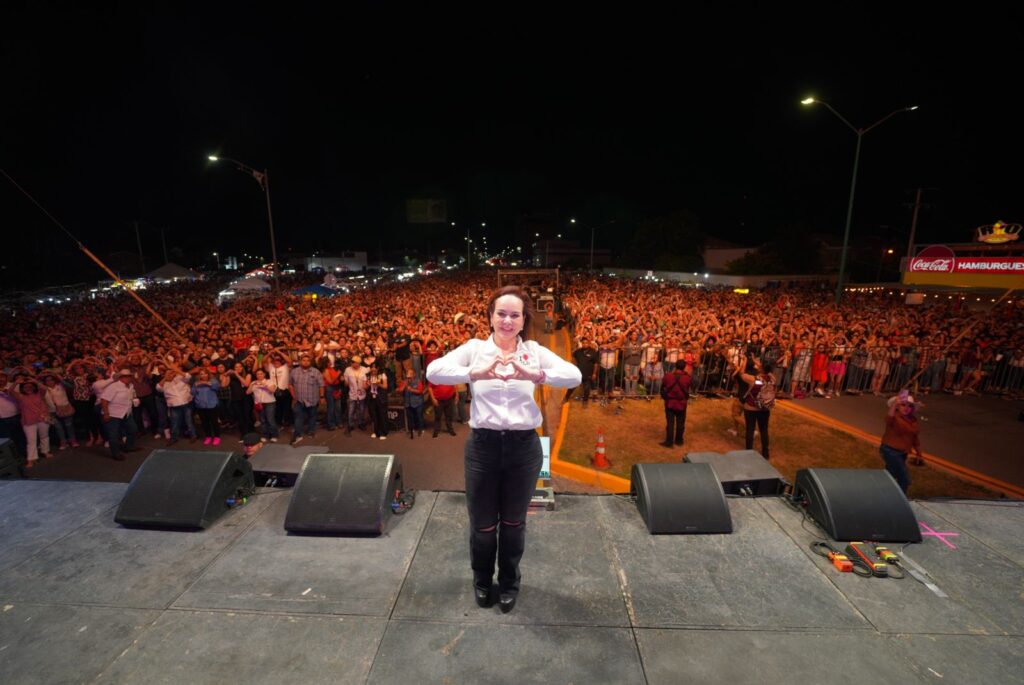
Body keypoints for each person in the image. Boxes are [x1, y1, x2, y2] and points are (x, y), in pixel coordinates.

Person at [427, 285, 580, 613]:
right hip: (483, 448)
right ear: (490, 317)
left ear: (524, 321)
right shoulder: (474, 349)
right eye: (501, 313)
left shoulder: (534, 351)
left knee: (513, 524)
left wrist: (538, 375)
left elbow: (574, 375)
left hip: (524, 448)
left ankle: (509, 582)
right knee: (482, 526)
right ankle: (482, 579)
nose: (507, 321)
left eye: (515, 315)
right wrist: (473, 373)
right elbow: (433, 371)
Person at [880, 390, 923, 494]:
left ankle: (881, 492)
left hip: (902, 453)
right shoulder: (894, 417)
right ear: (898, 407)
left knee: (890, 475)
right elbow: (888, 418)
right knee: (904, 479)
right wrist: (895, 404)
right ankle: (900, 499)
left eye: (909, 406)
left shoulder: (913, 421)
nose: (906, 408)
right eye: (903, 405)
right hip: (890, 451)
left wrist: (919, 454)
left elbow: (915, 438)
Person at [100, 369, 142, 461]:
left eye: (128, 376)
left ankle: (129, 446)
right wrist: (106, 413)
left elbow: (130, 397)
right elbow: (104, 400)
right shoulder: (113, 386)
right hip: (113, 414)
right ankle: (116, 454)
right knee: (113, 435)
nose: (127, 378)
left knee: (133, 429)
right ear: (120, 377)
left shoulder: (131, 386)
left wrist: (134, 400)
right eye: (124, 376)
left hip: (126, 413)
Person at [738, 356, 774, 460]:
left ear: (761, 369)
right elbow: (768, 372)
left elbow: (741, 373)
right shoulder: (772, 379)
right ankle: (765, 452)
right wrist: (759, 364)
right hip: (765, 408)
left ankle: (749, 451)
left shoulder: (754, 379)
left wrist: (745, 360)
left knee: (750, 429)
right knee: (764, 430)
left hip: (751, 407)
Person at [289, 353, 324, 445]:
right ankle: (297, 435)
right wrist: (293, 396)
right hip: (299, 400)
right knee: (298, 417)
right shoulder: (294, 371)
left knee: (312, 416)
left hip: (313, 399)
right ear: (300, 361)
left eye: (308, 361)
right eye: (304, 360)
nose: (306, 362)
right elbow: (290, 385)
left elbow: (321, 385)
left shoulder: (316, 372)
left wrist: (322, 397)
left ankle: (311, 431)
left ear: (310, 362)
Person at [659, 360, 691, 447]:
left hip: (670, 402)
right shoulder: (687, 378)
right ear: (684, 367)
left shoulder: (668, 376)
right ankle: (679, 440)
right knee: (681, 422)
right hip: (682, 403)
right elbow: (688, 387)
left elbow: (663, 385)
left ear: (675, 366)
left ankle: (669, 441)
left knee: (670, 422)